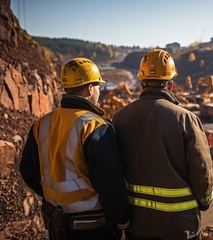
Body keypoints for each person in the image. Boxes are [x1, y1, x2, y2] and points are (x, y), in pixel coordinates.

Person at [20, 58, 130, 240]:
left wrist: (53, 197)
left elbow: (27, 169)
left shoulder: (42, 124)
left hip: (57, 225)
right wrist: (123, 219)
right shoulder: (95, 126)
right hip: (93, 228)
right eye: (98, 86)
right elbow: (110, 183)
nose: (100, 91)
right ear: (89, 89)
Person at [112, 49, 213, 240]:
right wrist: (205, 201)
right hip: (180, 226)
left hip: (137, 226)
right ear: (171, 84)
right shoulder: (186, 119)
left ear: (142, 83)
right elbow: (202, 170)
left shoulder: (119, 118)